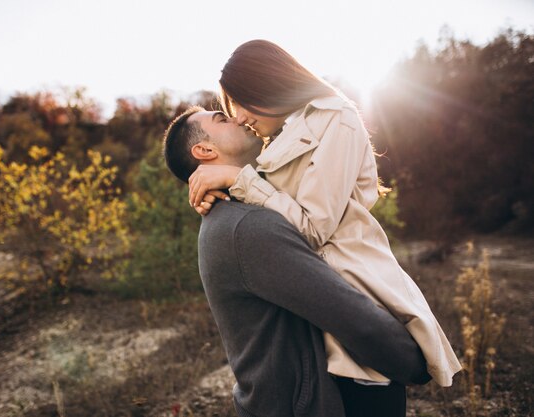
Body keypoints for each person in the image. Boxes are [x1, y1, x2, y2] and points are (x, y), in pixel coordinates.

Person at [187, 40, 462, 414]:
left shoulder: (336, 117)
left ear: (264, 85)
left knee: (371, 392)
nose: (238, 118)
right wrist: (218, 190)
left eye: (239, 103)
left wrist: (238, 179)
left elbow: (312, 228)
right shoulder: (279, 136)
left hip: (356, 300)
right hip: (323, 324)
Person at [163, 107, 431, 417]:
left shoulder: (235, 216)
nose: (238, 118)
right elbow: (347, 312)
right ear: (204, 150)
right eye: (222, 119)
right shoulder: (247, 227)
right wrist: (414, 361)